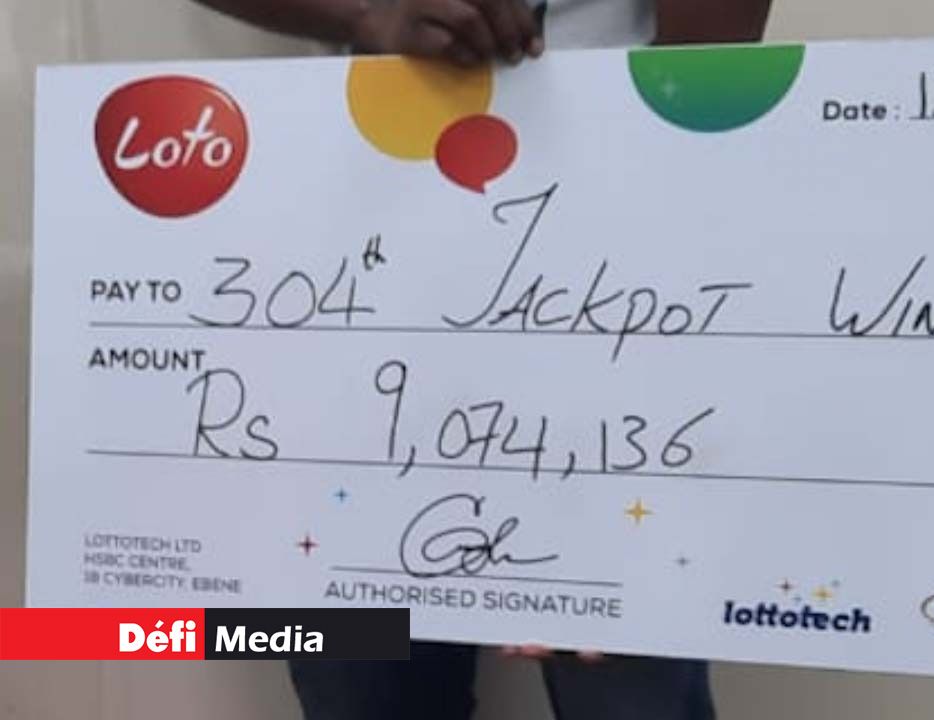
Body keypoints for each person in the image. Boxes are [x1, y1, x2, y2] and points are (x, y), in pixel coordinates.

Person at [188, 1, 772, 718]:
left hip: (612, 262)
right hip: (359, 254)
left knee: (626, 683)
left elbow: (711, 53)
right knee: (360, 690)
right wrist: (366, 11)